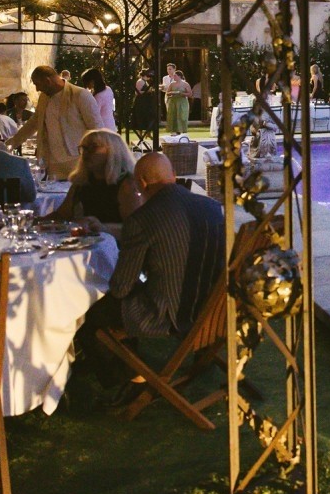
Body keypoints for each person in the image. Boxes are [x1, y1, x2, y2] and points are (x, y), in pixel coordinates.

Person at [76, 152, 225, 396]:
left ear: (142, 184)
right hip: (211, 309)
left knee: (88, 313)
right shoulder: (211, 207)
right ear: (173, 176)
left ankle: (129, 378)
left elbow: (122, 287)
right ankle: (134, 365)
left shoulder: (143, 219)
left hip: (169, 314)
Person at [6, 65, 103, 179]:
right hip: (52, 163)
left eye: (37, 84)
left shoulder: (80, 95)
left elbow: (97, 129)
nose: (37, 89)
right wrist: (12, 143)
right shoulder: (44, 97)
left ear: (48, 81)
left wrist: (95, 159)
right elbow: (34, 123)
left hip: (77, 161)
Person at [47, 129, 143, 226]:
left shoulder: (127, 185)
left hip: (113, 240)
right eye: (84, 148)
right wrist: (35, 221)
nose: (86, 152)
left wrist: (103, 228)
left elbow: (135, 228)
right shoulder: (81, 182)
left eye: (93, 147)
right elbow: (62, 215)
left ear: (113, 152)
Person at [80, 67, 117, 132]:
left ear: (92, 82)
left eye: (87, 83)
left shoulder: (98, 96)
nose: (87, 87)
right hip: (111, 125)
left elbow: (93, 114)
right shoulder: (108, 89)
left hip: (102, 129)